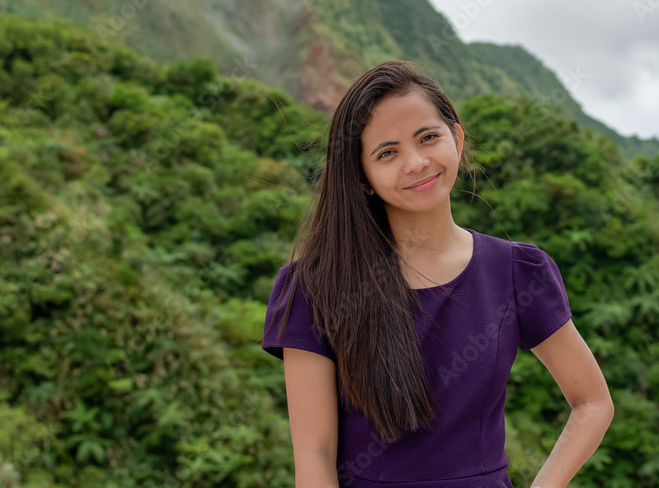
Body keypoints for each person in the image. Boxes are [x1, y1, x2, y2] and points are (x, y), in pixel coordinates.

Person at [262, 60, 614, 487]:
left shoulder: (518, 272)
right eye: (387, 152)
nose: (415, 162)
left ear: (457, 139)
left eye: (428, 138)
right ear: (363, 177)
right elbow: (314, 456)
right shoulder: (313, 287)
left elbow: (592, 403)